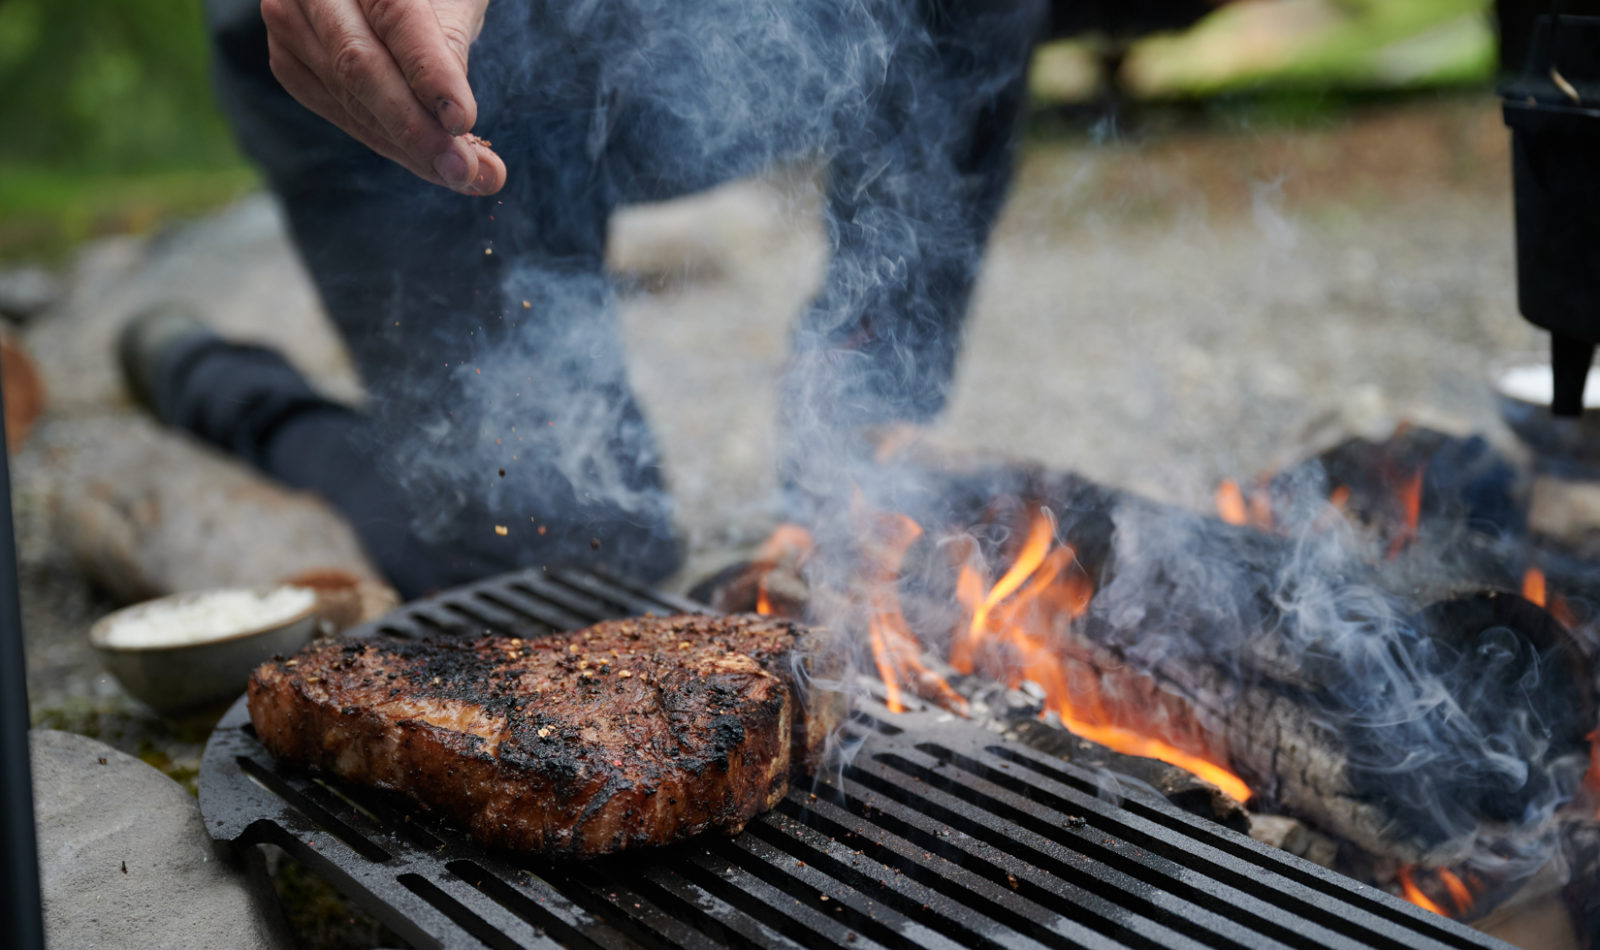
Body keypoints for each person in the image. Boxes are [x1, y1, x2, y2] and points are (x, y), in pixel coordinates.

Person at [122, 0, 1048, 599]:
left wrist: (857, 458)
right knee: (559, 566)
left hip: (700, 57)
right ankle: (215, 380)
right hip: (392, 72)